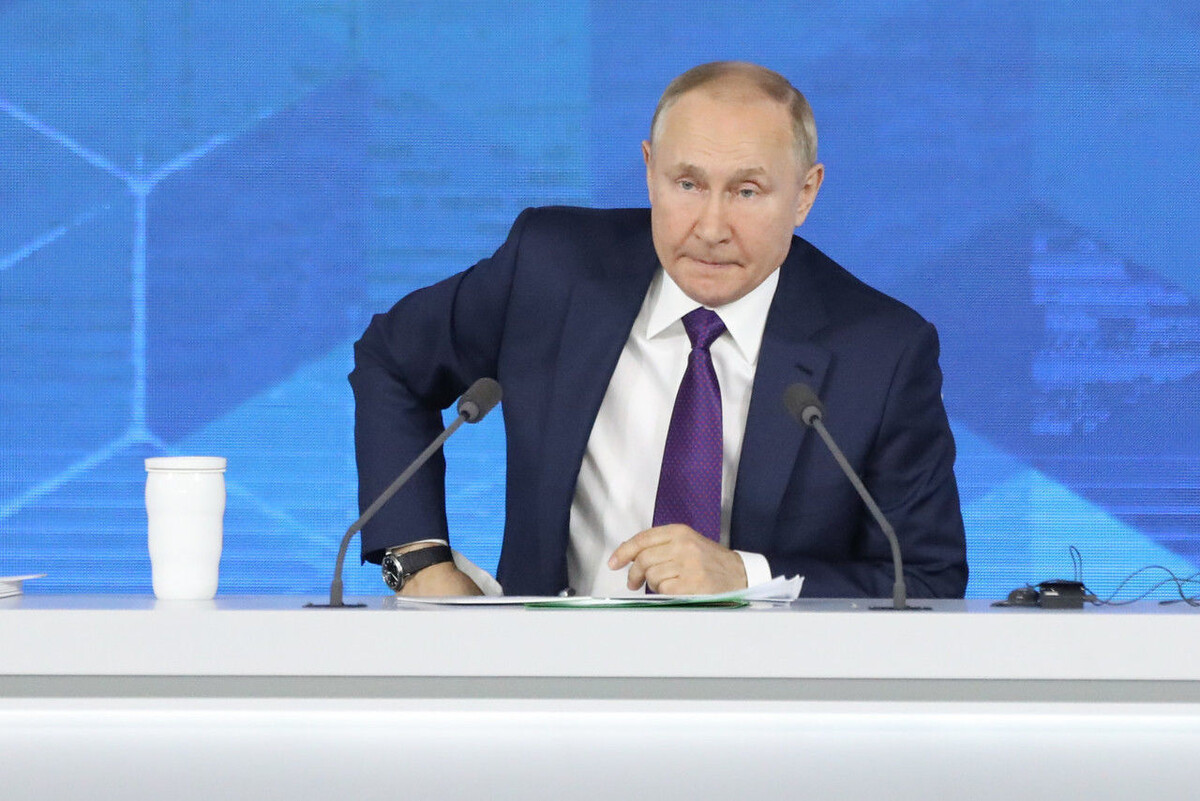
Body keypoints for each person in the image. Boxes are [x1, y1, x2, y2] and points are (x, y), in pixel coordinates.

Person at [350, 61, 968, 598]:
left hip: (766, 684)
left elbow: (925, 578)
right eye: (688, 184)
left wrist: (745, 576)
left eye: (747, 191)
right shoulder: (550, 270)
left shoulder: (880, 352)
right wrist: (418, 561)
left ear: (805, 194)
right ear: (650, 171)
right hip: (550, 673)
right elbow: (391, 360)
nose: (711, 227)